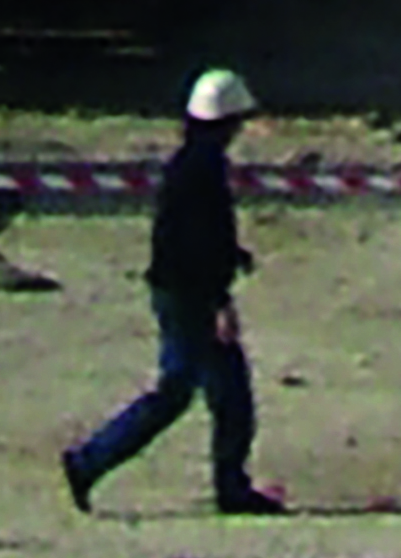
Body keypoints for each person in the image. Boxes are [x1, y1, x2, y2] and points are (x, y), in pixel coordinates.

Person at [58, 66, 277, 514]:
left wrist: (231, 255)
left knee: (209, 393)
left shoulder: (189, 163)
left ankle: (225, 485)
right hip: (192, 297)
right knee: (202, 394)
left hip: (179, 290)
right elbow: (196, 243)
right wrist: (219, 301)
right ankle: (91, 461)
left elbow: (187, 235)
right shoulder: (203, 169)